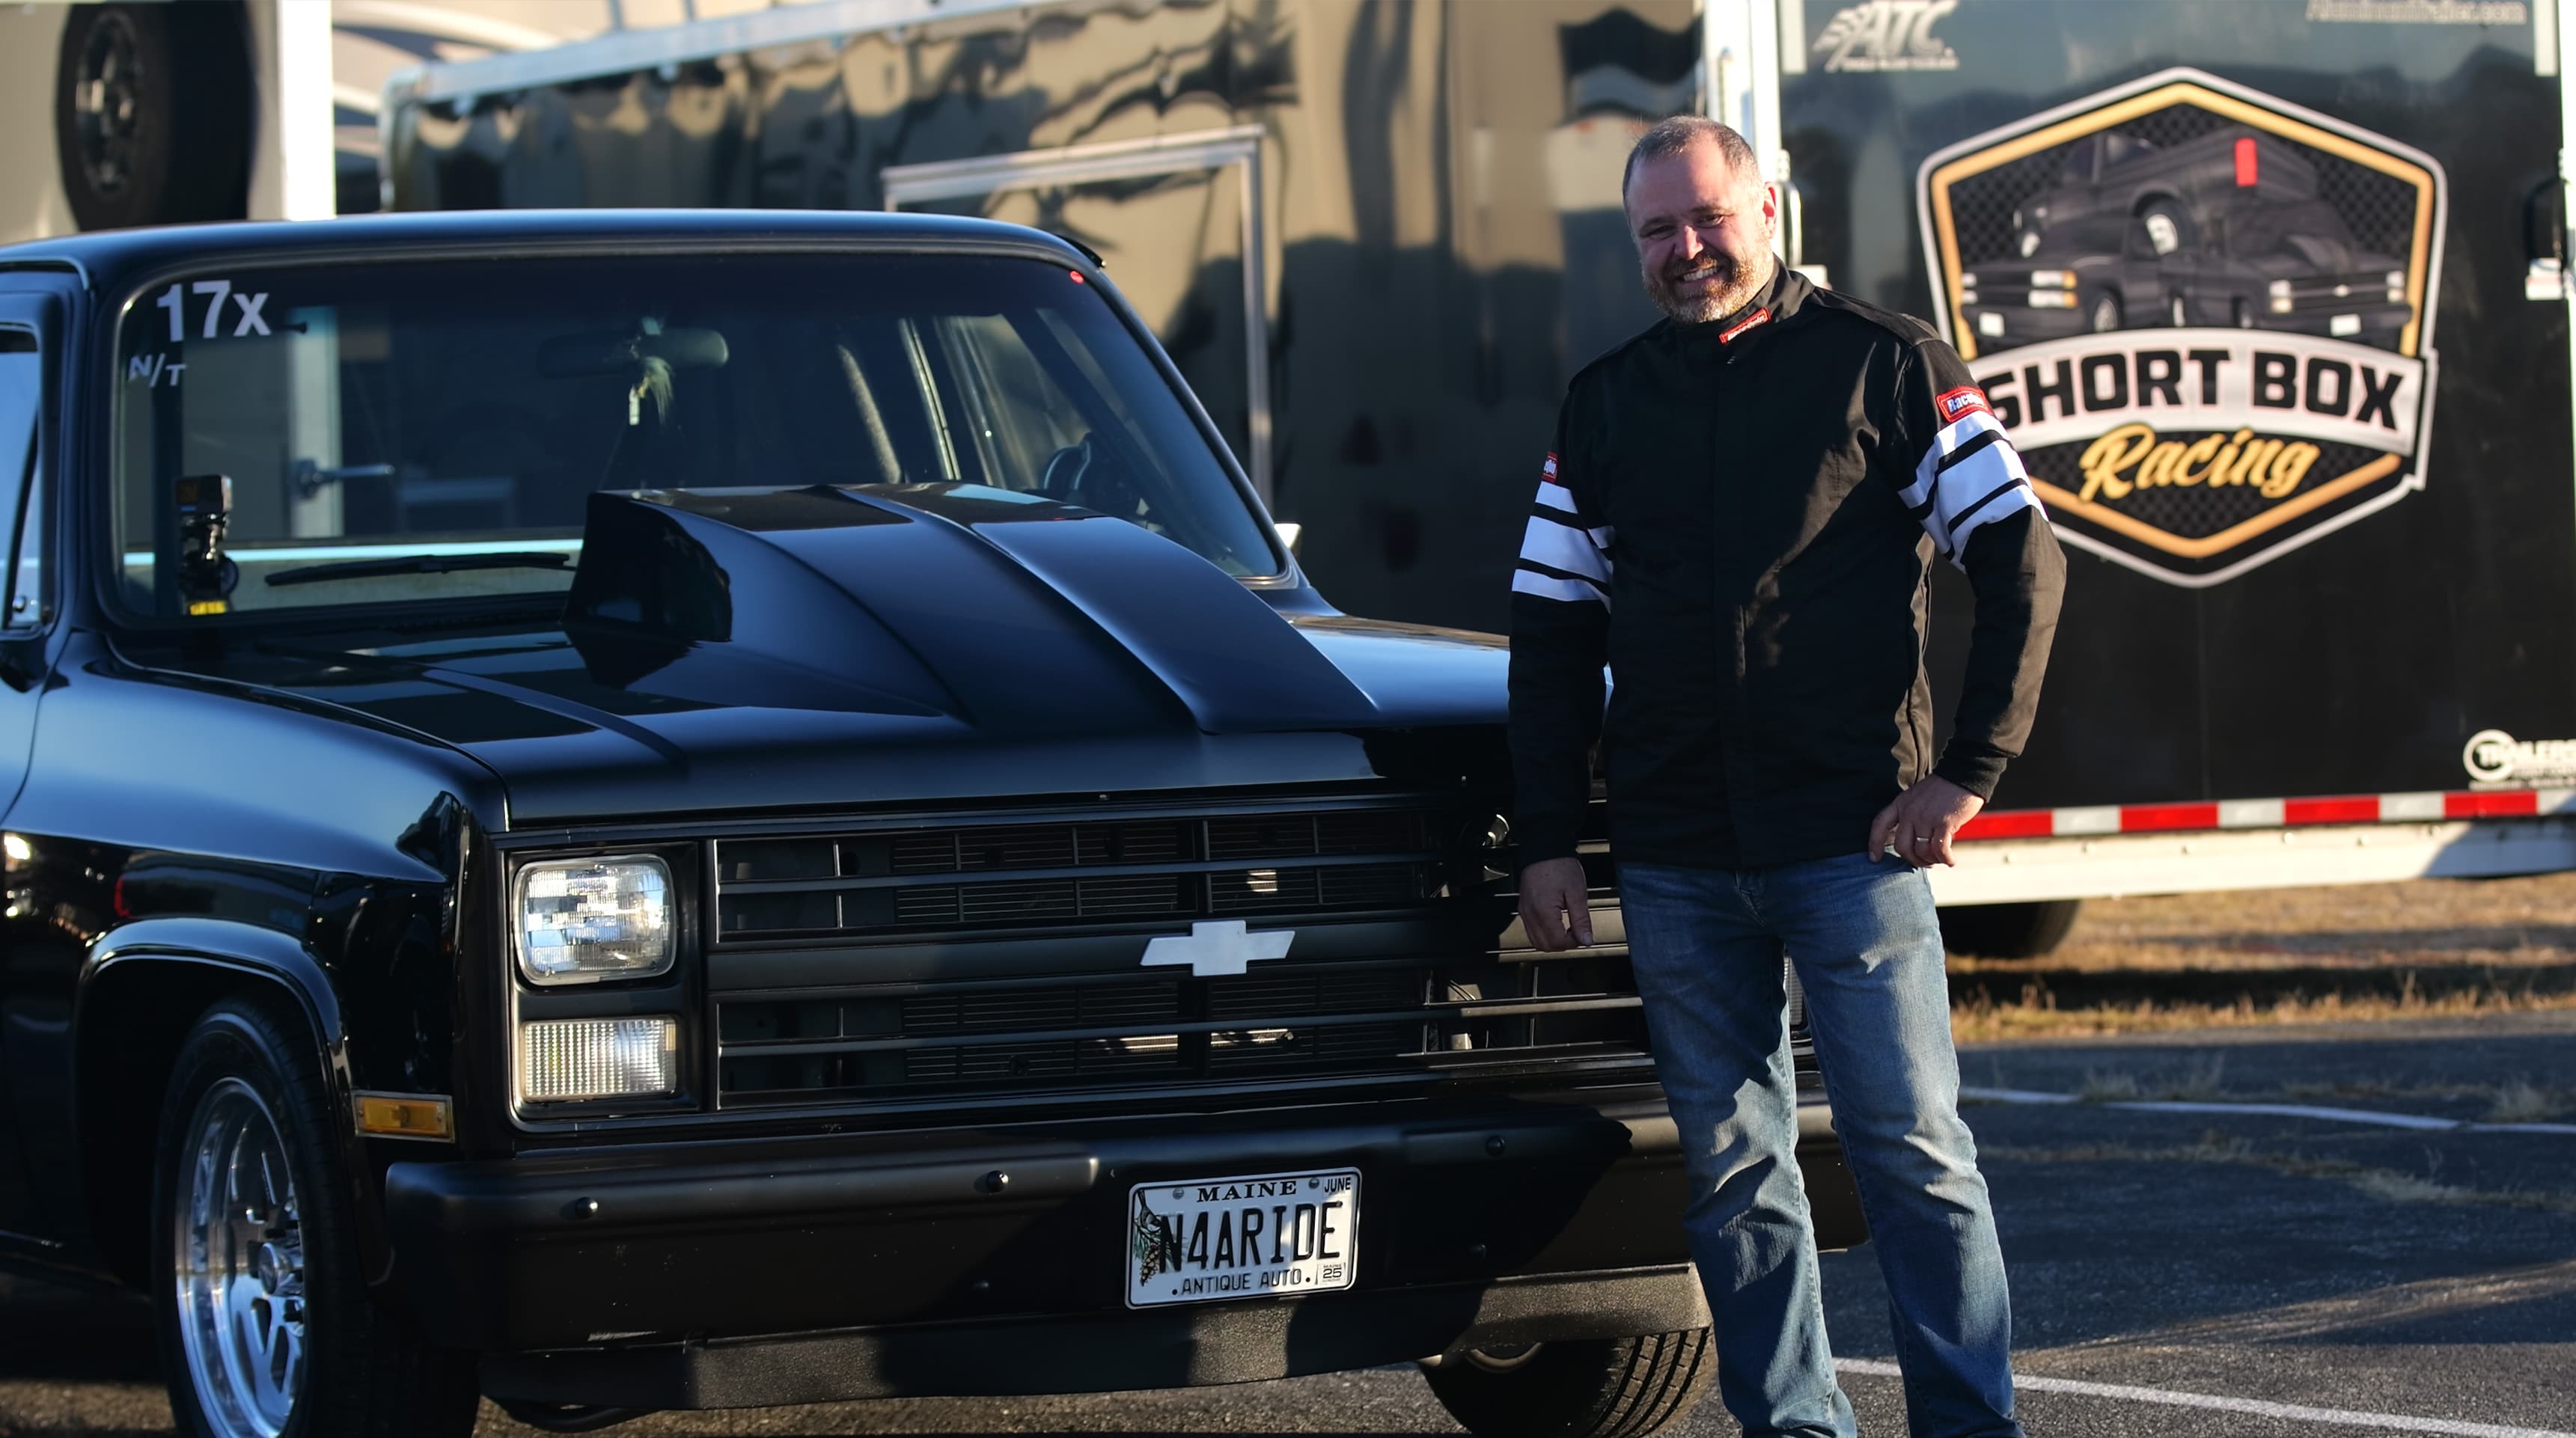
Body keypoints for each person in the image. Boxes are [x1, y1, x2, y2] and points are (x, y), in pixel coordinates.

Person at [1507, 115, 2064, 1438]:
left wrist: (1970, 772)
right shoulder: (1602, 403)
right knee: (1733, 1172)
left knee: (1915, 1159)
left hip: (1852, 839)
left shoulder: (1889, 366)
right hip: (1676, 854)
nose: (1685, 248)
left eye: (1707, 217)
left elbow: (2021, 560)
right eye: (1656, 229)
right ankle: (1794, 1426)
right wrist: (1544, 837)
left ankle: (1968, 1426)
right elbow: (1548, 632)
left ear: (1768, 209)